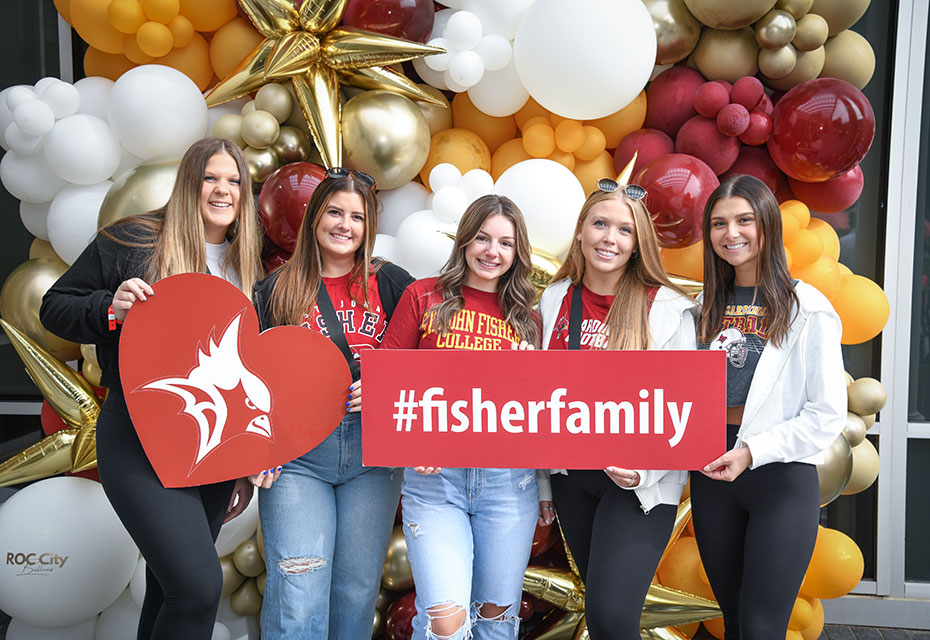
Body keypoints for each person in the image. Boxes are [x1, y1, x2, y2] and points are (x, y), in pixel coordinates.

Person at [39, 137, 264, 639]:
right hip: (138, 436)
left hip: (211, 446)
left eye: (234, 181)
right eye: (210, 178)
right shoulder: (134, 241)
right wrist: (109, 309)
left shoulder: (251, 262)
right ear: (189, 183)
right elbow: (54, 308)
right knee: (199, 588)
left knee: (170, 589)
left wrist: (246, 460)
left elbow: (255, 367)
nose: (222, 190)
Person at [253, 167, 415, 640]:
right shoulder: (275, 290)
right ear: (313, 219)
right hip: (298, 458)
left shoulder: (393, 284)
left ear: (369, 227)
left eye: (357, 217)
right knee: (298, 592)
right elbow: (253, 379)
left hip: (373, 458)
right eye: (334, 212)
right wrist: (257, 447)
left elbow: (426, 355)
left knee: (354, 594)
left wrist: (390, 384)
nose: (345, 225)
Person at [380, 194, 548, 640]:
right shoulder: (424, 296)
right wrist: (412, 442)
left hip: (508, 486)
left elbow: (542, 413)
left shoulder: (528, 320)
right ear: (464, 241)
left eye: (505, 243)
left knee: (497, 625)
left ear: (517, 253)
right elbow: (386, 382)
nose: (492, 251)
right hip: (437, 486)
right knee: (445, 624)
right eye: (482, 238)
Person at [537, 178, 697, 639]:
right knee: (603, 615)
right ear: (581, 232)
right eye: (600, 224)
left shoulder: (666, 309)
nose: (610, 237)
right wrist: (545, 483)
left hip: (639, 485)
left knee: (611, 618)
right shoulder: (555, 298)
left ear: (636, 244)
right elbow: (543, 398)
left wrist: (644, 470)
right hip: (574, 480)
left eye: (624, 230)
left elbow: (683, 409)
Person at [692, 174, 846, 639]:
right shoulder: (701, 306)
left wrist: (752, 451)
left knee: (762, 628)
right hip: (712, 474)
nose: (731, 233)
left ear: (768, 225)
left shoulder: (808, 308)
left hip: (778, 478)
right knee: (733, 622)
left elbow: (826, 413)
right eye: (718, 223)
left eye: (744, 220)